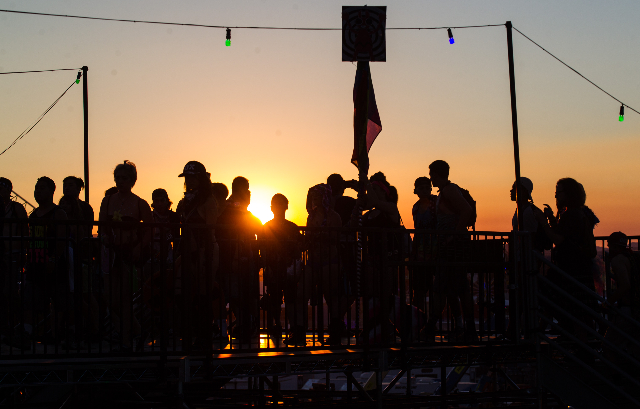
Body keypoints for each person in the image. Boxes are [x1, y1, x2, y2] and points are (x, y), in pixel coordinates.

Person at [534, 178, 599, 348]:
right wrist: (552, 219)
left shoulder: (571, 215)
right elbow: (564, 233)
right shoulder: (579, 213)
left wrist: (543, 221)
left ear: (568, 194)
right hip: (578, 268)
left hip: (571, 269)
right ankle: (580, 344)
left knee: (564, 304)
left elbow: (558, 239)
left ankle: (578, 345)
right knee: (577, 310)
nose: (556, 195)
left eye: (559, 192)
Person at [98, 161, 152, 350]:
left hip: (128, 253)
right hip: (110, 253)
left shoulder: (140, 203)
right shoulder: (107, 201)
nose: (120, 181)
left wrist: (139, 247)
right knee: (110, 298)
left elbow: (150, 229)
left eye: (124, 178)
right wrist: (104, 237)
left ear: (132, 180)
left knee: (125, 299)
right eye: (117, 178)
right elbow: (102, 225)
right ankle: (136, 331)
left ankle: (126, 340)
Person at [425, 160, 476, 342]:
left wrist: (453, 235)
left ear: (436, 174)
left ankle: (430, 328)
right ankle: (468, 329)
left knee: (444, 287)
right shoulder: (445, 192)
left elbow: (466, 210)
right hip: (451, 246)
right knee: (456, 288)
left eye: (431, 174)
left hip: (452, 247)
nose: (430, 178)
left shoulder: (449, 190)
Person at [175, 162, 220, 350]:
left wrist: (204, 256)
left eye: (193, 176)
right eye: (187, 177)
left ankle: (204, 336)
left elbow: (210, 230)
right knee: (185, 292)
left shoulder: (209, 201)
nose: (189, 180)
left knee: (203, 293)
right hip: (188, 252)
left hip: (204, 251)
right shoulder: (186, 201)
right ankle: (193, 332)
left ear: (201, 179)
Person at [217, 176, 262, 345]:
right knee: (236, 293)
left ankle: (246, 324)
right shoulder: (230, 207)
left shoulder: (236, 207)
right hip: (233, 257)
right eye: (246, 188)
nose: (248, 192)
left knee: (244, 293)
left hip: (242, 257)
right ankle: (246, 324)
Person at [25, 177, 68, 343]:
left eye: (42, 188)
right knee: (30, 300)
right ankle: (28, 333)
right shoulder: (33, 215)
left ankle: (56, 335)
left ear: (51, 191)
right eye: (37, 188)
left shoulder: (58, 213)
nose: (38, 191)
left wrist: (54, 259)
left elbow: (61, 239)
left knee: (57, 301)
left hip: (53, 266)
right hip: (35, 264)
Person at [260, 194, 302, 345]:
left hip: (283, 268)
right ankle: (286, 327)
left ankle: (281, 327)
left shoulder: (269, 227)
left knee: (282, 299)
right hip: (279, 268)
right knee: (280, 299)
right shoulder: (291, 227)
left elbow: (263, 249)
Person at [305, 183, 344, 345]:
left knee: (331, 296)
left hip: (330, 260)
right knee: (303, 292)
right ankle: (299, 330)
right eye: (313, 196)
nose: (314, 199)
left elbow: (336, 238)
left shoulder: (334, 217)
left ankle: (335, 332)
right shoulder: (311, 216)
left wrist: (320, 237)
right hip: (314, 259)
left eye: (317, 196)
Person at [604, 232, 640, 360]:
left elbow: (625, 285)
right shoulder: (631, 258)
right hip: (635, 308)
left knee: (609, 345)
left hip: (627, 309)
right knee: (634, 347)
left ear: (613, 246)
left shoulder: (617, 260)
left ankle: (615, 371)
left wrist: (608, 302)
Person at [0, 178, 28, 342]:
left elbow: (24, 230)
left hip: (13, 253)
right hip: (4, 253)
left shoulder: (16, 208)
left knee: (10, 290)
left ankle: (14, 325)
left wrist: (23, 251)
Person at [411, 177, 437, 311]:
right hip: (421, 253)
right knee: (419, 288)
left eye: (427, 188)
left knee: (436, 289)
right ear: (415, 190)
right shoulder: (415, 207)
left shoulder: (436, 203)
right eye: (422, 188)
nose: (425, 190)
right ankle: (418, 316)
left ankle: (432, 317)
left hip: (436, 250)